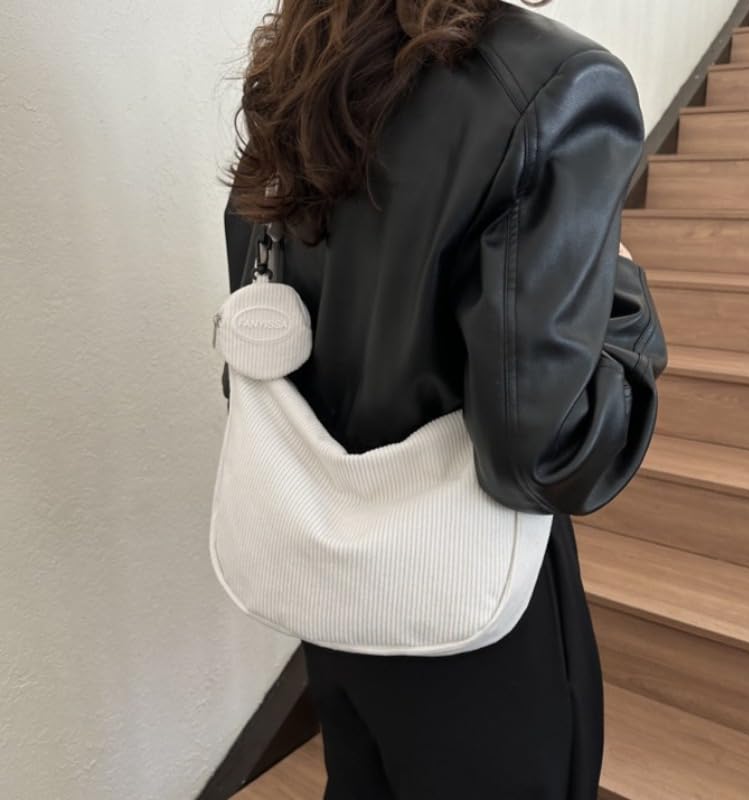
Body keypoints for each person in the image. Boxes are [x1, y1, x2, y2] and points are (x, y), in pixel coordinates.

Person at [220, 0, 667, 797]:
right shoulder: (557, 86)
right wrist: (623, 289)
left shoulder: (300, 72)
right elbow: (549, 454)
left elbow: (268, 337)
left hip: (331, 593)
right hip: (472, 619)